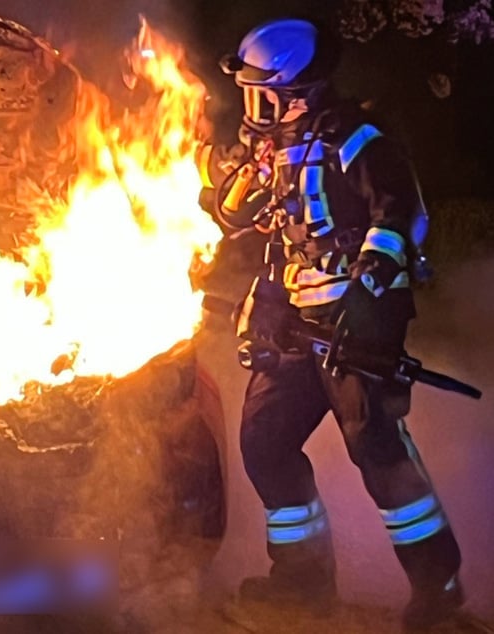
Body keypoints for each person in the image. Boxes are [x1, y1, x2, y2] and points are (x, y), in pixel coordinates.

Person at [197, 18, 463, 630]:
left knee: (374, 445)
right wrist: (241, 180)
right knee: (264, 440)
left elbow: (401, 215)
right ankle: (302, 580)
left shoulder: (357, 138)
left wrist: (369, 290)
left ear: (294, 89)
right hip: (295, 323)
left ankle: (438, 584)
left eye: (261, 89)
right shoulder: (274, 152)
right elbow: (237, 219)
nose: (253, 102)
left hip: (359, 320)